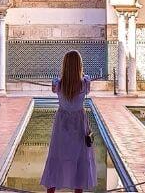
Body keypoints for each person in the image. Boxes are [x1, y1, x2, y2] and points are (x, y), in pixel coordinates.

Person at [41, 50, 97, 193]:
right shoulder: (85, 83)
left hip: (62, 123)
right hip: (79, 123)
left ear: (64, 65)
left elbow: (56, 88)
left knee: (57, 155)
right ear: (80, 65)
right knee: (79, 157)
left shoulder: (57, 84)